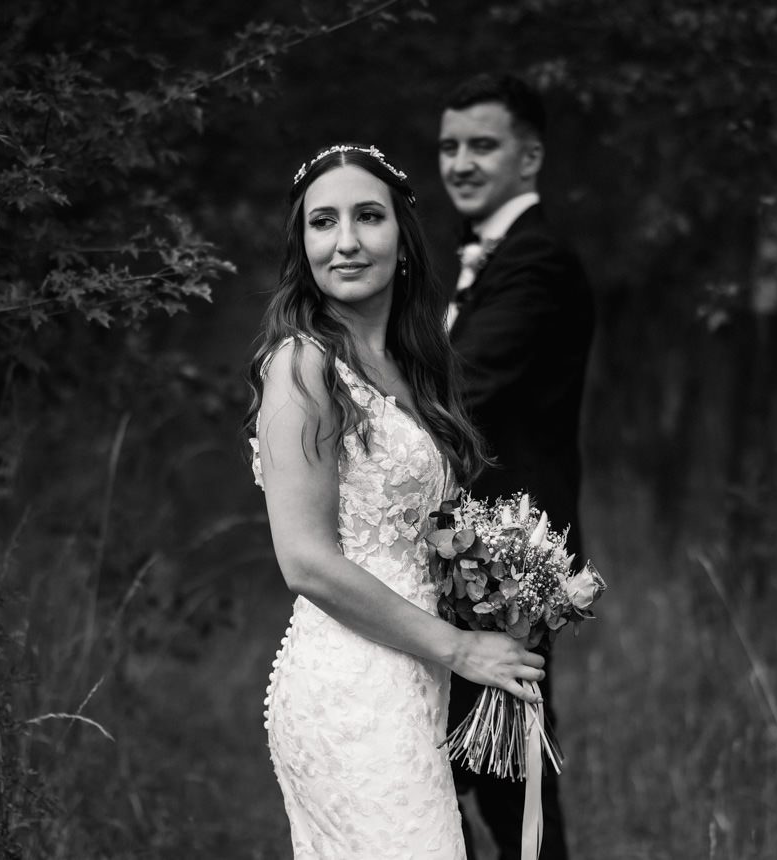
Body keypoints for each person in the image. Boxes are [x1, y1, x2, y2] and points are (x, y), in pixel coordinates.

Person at [245, 142, 548, 860]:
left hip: (414, 679)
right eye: (323, 222)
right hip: (351, 687)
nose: (346, 241)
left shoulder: (413, 364)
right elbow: (306, 561)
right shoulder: (303, 366)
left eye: (368, 217)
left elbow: (424, 534)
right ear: (303, 247)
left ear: (403, 240)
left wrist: (503, 600)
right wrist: (461, 647)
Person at [438, 73, 594, 860]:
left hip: (505, 568)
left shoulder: (539, 262)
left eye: (482, 145)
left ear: (529, 157)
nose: (460, 163)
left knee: (503, 776)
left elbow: (462, 387)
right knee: (482, 772)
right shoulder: (491, 257)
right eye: (449, 146)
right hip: (474, 561)